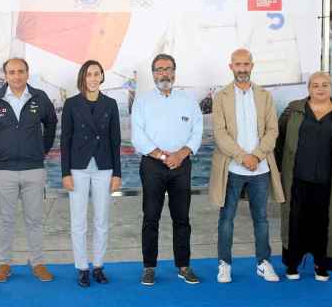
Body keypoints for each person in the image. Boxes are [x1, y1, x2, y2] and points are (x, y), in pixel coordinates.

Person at [0, 58, 58, 283]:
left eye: (21, 71)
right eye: (12, 72)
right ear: (6, 75)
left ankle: (38, 262)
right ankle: (4, 264)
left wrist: (44, 148)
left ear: (28, 73)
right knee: (5, 219)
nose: (17, 76)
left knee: (35, 219)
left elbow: (51, 123)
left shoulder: (40, 98)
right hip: (4, 170)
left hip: (34, 168)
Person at [208, 48, 284, 283]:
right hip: (231, 168)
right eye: (237, 64)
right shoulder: (221, 97)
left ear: (252, 66)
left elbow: (273, 130)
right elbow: (220, 134)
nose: (242, 68)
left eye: (246, 64)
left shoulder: (264, 96)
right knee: (226, 218)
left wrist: (257, 156)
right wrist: (243, 158)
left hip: (260, 169)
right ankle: (224, 264)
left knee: (261, 219)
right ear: (230, 66)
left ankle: (263, 263)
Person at [275, 71, 332, 282]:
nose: (320, 89)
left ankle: (321, 265)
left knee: (324, 224)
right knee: (295, 222)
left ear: (330, 87)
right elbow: (279, 140)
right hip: (297, 180)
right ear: (309, 88)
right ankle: (292, 264)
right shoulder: (293, 110)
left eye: (325, 85)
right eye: (316, 85)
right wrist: (280, 167)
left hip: (328, 182)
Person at [131, 53, 203, 286]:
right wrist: (163, 156)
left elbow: (197, 130)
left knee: (182, 218)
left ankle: (183, 266)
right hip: (153, 165)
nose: (164, 73)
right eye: (159, 69)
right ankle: (149, 267)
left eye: (168, 69)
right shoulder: (142, 102)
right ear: (153, 74)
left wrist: (180, 154)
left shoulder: (188, 100)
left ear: (174, 72)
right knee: (150, 217)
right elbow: (138, 136)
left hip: (181, 164)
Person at [60, 60, 122, 287]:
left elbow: (115, 141)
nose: (93, 78)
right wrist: (65, 172)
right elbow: (64, 140)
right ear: (83, 78)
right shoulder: (71, 104)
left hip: (104, 167)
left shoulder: (111, 104)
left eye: (97, 74)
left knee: (101, 220)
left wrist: (117, 173)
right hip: (78, 167)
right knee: (78, 220)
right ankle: (82, 268)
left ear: (102, 77)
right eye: (89, 74)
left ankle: (98, 265)